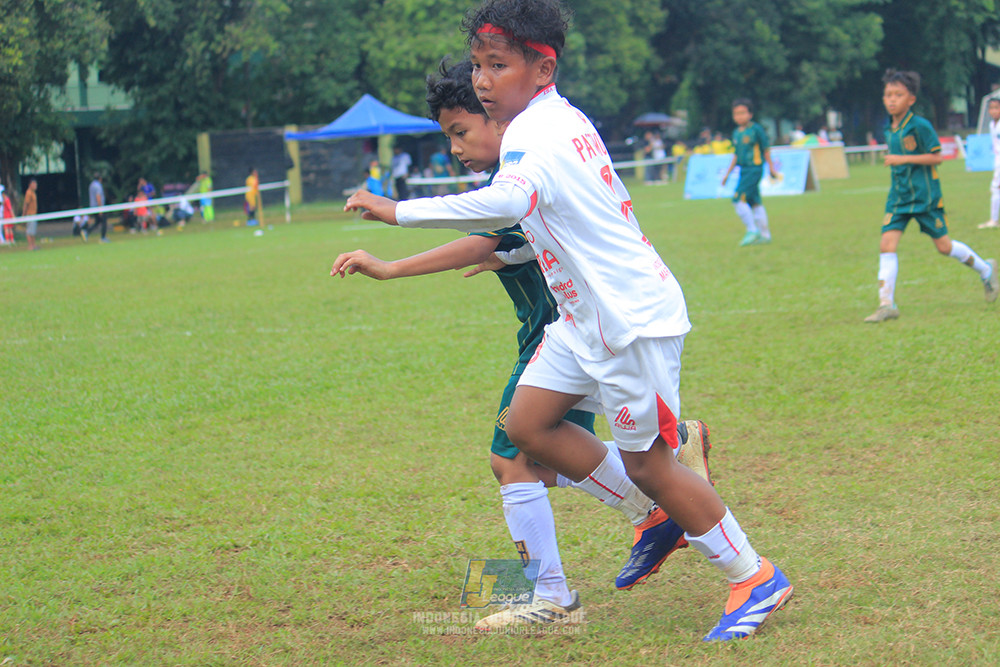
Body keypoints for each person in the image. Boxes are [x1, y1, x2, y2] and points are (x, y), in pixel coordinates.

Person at [345, 0, 791, 642]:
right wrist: (519, 250)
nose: (482, 80)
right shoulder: (553, 121)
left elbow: (513, 198)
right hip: (584, 323)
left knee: (651, 466)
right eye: (478, 65)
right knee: (527, 426)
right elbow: (560, 214)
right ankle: (653, 519)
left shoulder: (536, 132)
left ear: (543, 68)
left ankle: (752, 575)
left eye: (496, 65)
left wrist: (397, 210)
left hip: (628, 322)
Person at [864, 70, 997, 323]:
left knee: (944, 247)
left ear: (911, 99)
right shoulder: (889, 128)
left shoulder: (920, 126)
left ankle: (986, 270)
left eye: (898, 95)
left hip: (925, 199)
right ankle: (886, 304)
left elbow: (937, 157)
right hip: (899, 199)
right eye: (888, 95)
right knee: (886, 245)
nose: (891, 100)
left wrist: (902, 158)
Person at [722, 99, 779, 246]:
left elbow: (766, 149)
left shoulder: (756, 130)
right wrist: (727, 174)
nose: (739, 116)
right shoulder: (736, 133)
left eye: (742, 113)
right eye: (736, 114)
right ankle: (765, 235)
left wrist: (771, 168)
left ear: (750, 114)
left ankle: (752, 230)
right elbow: (736, 155)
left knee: (737, 199)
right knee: (754, 202)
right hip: (744, 170)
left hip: (754, 169)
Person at [978, 98, 1000, 229]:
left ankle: (993, 220)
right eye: (991, 108)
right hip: (997, 159)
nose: (993, 111)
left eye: (996, 108)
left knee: (995, 188)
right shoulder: (992, 125)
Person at [82, 174, 109, 243]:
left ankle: (87, 231)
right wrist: (100, 209)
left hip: (93, 207)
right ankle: (103, 237)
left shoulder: (91, 185)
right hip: (98, 206)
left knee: (98, 222)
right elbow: (98, 197)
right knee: (104, 222)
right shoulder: (98, 186)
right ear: (100, 179)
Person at [23, 179, 39, 250]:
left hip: (34, 214)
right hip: (30, 214)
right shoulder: (28, 193)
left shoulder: (33, 193)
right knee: (29, 231)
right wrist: (24, 214)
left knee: (33, 231)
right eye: (34, 184)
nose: (35, 186)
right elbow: (26, 204)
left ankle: (33, 245)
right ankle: (30, 246)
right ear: (30, 185)